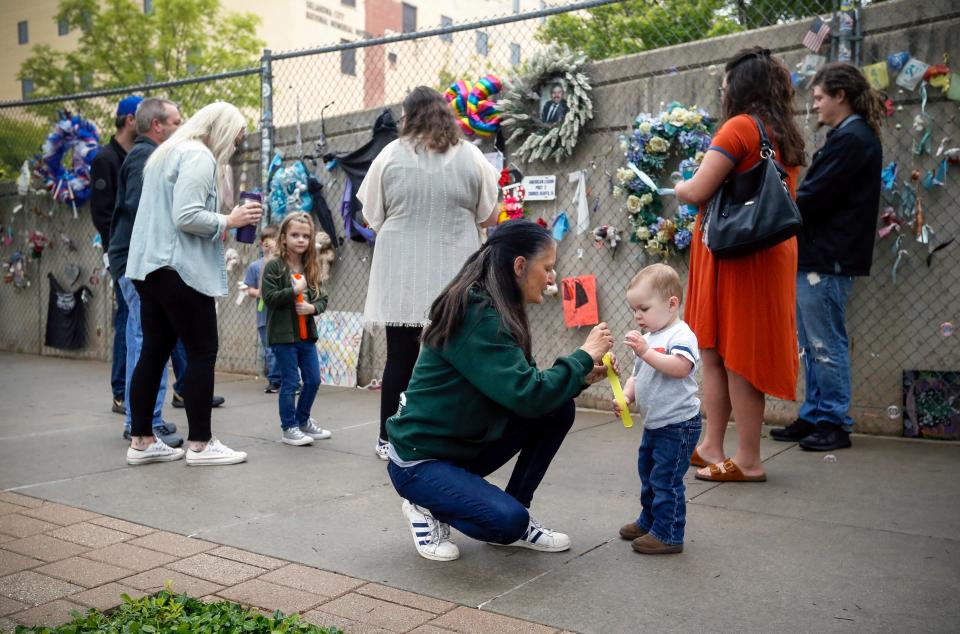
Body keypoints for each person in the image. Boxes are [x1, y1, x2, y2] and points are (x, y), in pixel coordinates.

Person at [386, 220, 614, 562]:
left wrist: (580, 377)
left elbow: (527, 389)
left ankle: (516, 505)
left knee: (558, 408)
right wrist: (582, 356)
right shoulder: (476, 313)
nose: (553, 278)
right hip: (420, 461)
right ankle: (426, 503)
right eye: (548, 268)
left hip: (460, 447)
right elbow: (527, 393)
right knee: (507, 523)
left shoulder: (497, 308)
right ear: (520, 266)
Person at [675, 47, 806, 483]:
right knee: (714, 349)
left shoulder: (738, 128)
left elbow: (697, 191)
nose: (722, 87)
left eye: (727, 80)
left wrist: (678, 186)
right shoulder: (781, 131)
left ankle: (748, 460)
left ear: (742, 85)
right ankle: (713, 445)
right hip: (756, 252)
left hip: (741, 256)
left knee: (738, 357)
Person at [358, 86, 499, 461]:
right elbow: (489, 216)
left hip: (402, 270)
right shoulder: (472, 156)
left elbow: (371, 217)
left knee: (400, 358)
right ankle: (449, 434)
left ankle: (388, 438)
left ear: (408, 116)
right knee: (453, 356)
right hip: (456, 273)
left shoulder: (389, 155)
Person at [124, 101, 261, 467]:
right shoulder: (199, 156)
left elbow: (170, 215)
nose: (235, 145)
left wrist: (218, 222)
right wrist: (228, 220)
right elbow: (186, 216)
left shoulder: (165, 154)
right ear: (221, 129)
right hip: (179, 270)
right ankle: (201, 443)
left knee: (153, 352)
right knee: (202, 352)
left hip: (148, 268)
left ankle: (141, 440)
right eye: (236, 137)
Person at [770, 62, 883, 452]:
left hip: (828, 258)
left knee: (825, 342)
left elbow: (815, 195)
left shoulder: (853, 138)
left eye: (819, 97)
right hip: (819, 256)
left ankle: (834, 422)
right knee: (811, 341)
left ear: (841, 95)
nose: (814, 104)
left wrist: (775, 206)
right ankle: (815, 413)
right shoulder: (846, 136)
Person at [108, 97, 183, 447]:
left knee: (142, 337)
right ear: (157, 125)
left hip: (131, 261)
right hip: (137, 263)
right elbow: (142, 208)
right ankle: (145, 422)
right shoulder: (145, 157)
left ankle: (140, 419)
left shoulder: (142, 156)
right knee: (146, 340)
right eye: (176, 122)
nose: (180, 129)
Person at [613, 264, 701, 555]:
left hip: (678, 425)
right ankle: (650, 520)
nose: (638, 316)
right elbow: (638, 377)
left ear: (671, 303)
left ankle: (669, 533)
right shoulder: (649, 338)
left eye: (644, 308)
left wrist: (646, 352)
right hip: (655, 424)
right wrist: (626, 397)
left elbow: (680, 368)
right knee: (649, 474)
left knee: (666, 480)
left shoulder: (681, 335)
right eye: (634, 310)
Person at [261, 213, 332, 446]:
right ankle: (288, 427)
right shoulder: (274, 266)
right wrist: (294, 291)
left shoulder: (310, 266)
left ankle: (303, 421)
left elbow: (323, 298)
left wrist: (312, 307)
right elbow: (269, 298)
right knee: (291, 382)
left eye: (305, 236)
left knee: (312, 380)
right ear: (283, 238)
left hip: (305, 336)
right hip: (284, 337)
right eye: (295, 235)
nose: (300, 240)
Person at [91, 95, 141, 415]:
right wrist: (118, 249)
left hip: (146, 252)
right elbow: (102, 213)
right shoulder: (106, 158)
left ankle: (182, 388)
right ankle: (121, 392)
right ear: (130, 120)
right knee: (127, 317)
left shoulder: (139, 155)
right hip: (122, 254)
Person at [242, 224, 282, 392]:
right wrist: (259, 292)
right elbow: (249, 289)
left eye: (274, 240)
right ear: (261, 244)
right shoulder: (255, 266)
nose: (270, 243)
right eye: (267, 241)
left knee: (283, 347)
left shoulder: (283, 264)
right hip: (264, 315)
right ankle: (275, 380)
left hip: (281, 314)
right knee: (270, 348)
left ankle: (286, 378)